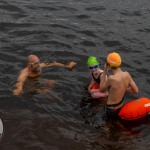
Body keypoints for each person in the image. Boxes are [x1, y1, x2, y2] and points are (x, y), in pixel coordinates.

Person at [99, 52, 139, 118]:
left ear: (109, 65)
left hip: (111, 109)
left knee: (107, 126)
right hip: (121, 105)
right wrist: (123, 88)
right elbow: (136, 90)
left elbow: (101, 90)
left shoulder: (111, 78)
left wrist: (105, 71)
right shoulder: (127, 74)